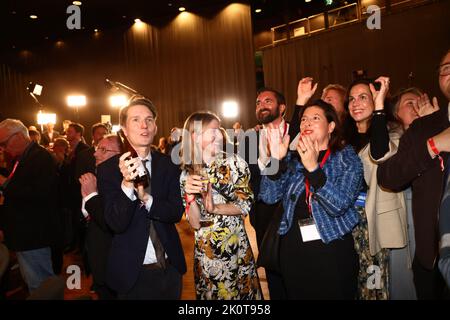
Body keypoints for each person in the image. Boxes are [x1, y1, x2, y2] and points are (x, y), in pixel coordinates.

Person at [259, 100, 362, 299]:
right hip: (294, 250)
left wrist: (314, 169)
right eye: (304, 119)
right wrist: (276, 161)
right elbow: (269, 196)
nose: (307, 123)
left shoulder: (346, 158)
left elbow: (339, 205)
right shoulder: (292, 159)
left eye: (315, 118)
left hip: (331, 250)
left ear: (331, 126)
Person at [377, 50, 449, 299]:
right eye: (444, 67)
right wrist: (434, 143)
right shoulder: (422, 130)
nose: (449, 69)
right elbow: (387, 175)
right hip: (431, 257)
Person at [97, 96, 186, 299]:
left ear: (155, 127)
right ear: (124, 130)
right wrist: (127, 184)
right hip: (132, 274)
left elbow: (175, 212)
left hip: (170, 269)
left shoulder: (169, 165)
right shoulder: (108, 171)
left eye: (149, 120)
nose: (144, 125)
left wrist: (147, 199)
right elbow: (115, 223)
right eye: (136, 120)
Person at [180, 111, 261, 300]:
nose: (220, 135)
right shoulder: (186, 172)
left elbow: (245, 205)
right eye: (213, 131)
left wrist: (215, 208)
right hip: (206, 254)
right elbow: (194, 224)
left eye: (220, 130)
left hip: (235, 249)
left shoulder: (234, 163)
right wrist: (190, 196)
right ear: (195, 136)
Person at [0, 119, 59, 292]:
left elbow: (39, 194)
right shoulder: (26, 156)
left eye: (4, 143)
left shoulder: (40, 157)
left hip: (34, 235)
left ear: (18, 136)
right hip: (27, 235)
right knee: (36, 284)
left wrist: (5, 184)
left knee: (41, 286)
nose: (2, 148)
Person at [244, 87, 289, 299]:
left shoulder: (297, 133)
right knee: (271, 269)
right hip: (262, 212)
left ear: (282, 108)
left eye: (267, 101)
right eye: (258, 102)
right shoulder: (248, 139)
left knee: (295, 267)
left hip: (292, 209)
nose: (261, 105)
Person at [79, 134, 122, 299]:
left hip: (112, 264)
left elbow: (109, 223)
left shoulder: (122, 182)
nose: (96, 154)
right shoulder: (96, 177)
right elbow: (85, 214)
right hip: (98, 260)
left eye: (103, 149)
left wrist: (91, 196)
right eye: (97, 148)